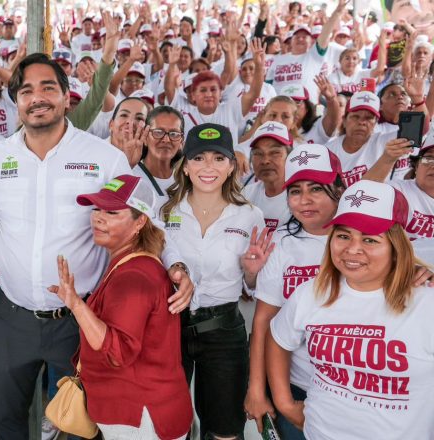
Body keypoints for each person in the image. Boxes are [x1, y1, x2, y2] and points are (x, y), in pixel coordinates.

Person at [0, 53, 192, 439]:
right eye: (26, 90)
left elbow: (149, 218)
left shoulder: (104, 158)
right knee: (9, 419)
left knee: (79, 423)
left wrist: (178, 267)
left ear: (66, 96)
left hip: (80, 320)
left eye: (48, 87)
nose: (37, 97)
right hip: (12, 317)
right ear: (17, 101)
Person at [267, 179, 434, 438]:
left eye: (370, 240)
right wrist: (284, 402)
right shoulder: (311, 293)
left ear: (395, 247)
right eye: (343, 235)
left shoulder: (426, 303)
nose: (352, 249)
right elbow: (278, 339)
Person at [51, 174, 193, 439]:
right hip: (143, 410)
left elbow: (118, 352)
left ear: (140, 222)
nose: (98, 217)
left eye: (112, 211)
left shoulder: (133, 276)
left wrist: (77, 305)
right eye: (97, 208)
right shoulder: (134, 263)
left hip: (139, 416)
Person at [159, 123, 265, 440]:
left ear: (231, 166)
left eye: (218, 158)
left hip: (223, 332)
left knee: (225, 430)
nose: (209, 167)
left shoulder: (250, 215)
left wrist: (251, 270)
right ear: (186, 165)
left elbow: (252, 287)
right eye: (199, 158)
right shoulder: (164, 210)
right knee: (167, 426)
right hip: (169, 326)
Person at [244, 143, 345, 440]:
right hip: (295, 385)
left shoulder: (363, 242)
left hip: (353, 388)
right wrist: (256, 389)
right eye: (295, 190)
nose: (305, 200)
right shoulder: (282, 243)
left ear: (339, 189)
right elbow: (263, 320)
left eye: (316, 188)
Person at [242, 121, 294, 231]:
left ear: (290, 157)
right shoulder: (245, 194)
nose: (265, 161)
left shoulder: (302, 200)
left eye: (275, 152)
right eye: (258, 153)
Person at [133, 106, 184, 213]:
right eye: (158, 132)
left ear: (181, 142)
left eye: (174, 134)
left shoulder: (188, 178)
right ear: (145, 137)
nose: (166, 140)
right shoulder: (131, 174)